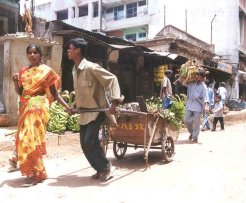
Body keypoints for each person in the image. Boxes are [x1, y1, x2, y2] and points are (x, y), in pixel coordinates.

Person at [12, 44, 72, 187]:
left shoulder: (46, 72)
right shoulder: (23, 72)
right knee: (25, 138)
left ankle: (37, 172)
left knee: (30, 137)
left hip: (38, 106)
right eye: (30, 53)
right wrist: (15, 83)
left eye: (35, 52)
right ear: (27, 55)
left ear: (40, 55)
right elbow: (21, 93)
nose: (32, 55)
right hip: (26, 107)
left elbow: (55, 93)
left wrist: (67, 107)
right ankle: (36, 171)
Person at [66, 38, 124, 182]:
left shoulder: (91, 67)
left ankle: (106, 167)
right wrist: (74, 105)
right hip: (84, 112)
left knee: (90, 140)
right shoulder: (75, 70)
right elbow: (81, 91)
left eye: (70, 48)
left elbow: (112, 79)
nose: (68, 50)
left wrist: (115, 102)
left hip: (97, 110)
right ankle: (99, 168)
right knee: (84, 144)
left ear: (78, 50)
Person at [183, 70, 209, 143]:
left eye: (200, 77)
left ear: (203, 78)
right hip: (189, 105)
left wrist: (206, 106)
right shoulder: (191, 83)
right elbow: (183, 82)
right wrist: (183, 76)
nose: (198, 78)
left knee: (197, 123)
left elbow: (205, 97)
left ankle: (195, 137)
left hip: (198, 106)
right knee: (186, 120)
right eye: (197, 76)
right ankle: (192, 132)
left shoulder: (203, 86)